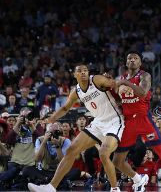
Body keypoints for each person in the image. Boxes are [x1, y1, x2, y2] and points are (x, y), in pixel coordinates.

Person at [27, 64, 124, 192]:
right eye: (80, 71)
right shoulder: (76, 91)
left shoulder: (96, 80)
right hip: (98, 122)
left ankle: (115, 188)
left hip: (114, 121)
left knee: (104, 154)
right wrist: (53, 117)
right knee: (71, 150)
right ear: (74, 75)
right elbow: (65, 108)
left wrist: (118, 85)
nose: (83, 73)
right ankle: (51, 187)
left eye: (85, 71)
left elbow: (115, 84)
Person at [111, 51, 161, 192]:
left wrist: (124, 82)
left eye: (135, 58)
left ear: (140, 63)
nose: (132, 60)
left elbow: (142, 92)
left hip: (144, 120)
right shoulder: (121, 78)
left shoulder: (144, 75)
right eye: (130, 58)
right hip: (128, 122)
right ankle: (138, 180)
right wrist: (109, 86)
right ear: (126, 63)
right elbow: (117, 100)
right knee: (117, 160)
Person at [1, 107, 45, 184]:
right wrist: (17, 124)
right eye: (23, 116)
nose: (26, 118)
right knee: (10, 168)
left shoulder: (37, 127)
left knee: (25, 171)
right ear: (19, 117)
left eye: (29, 116)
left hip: (31, 163)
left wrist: (31, 126)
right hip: (15, 162)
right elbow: (9, 141)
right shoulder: (16, 128)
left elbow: (41, 140)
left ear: (33, 118)